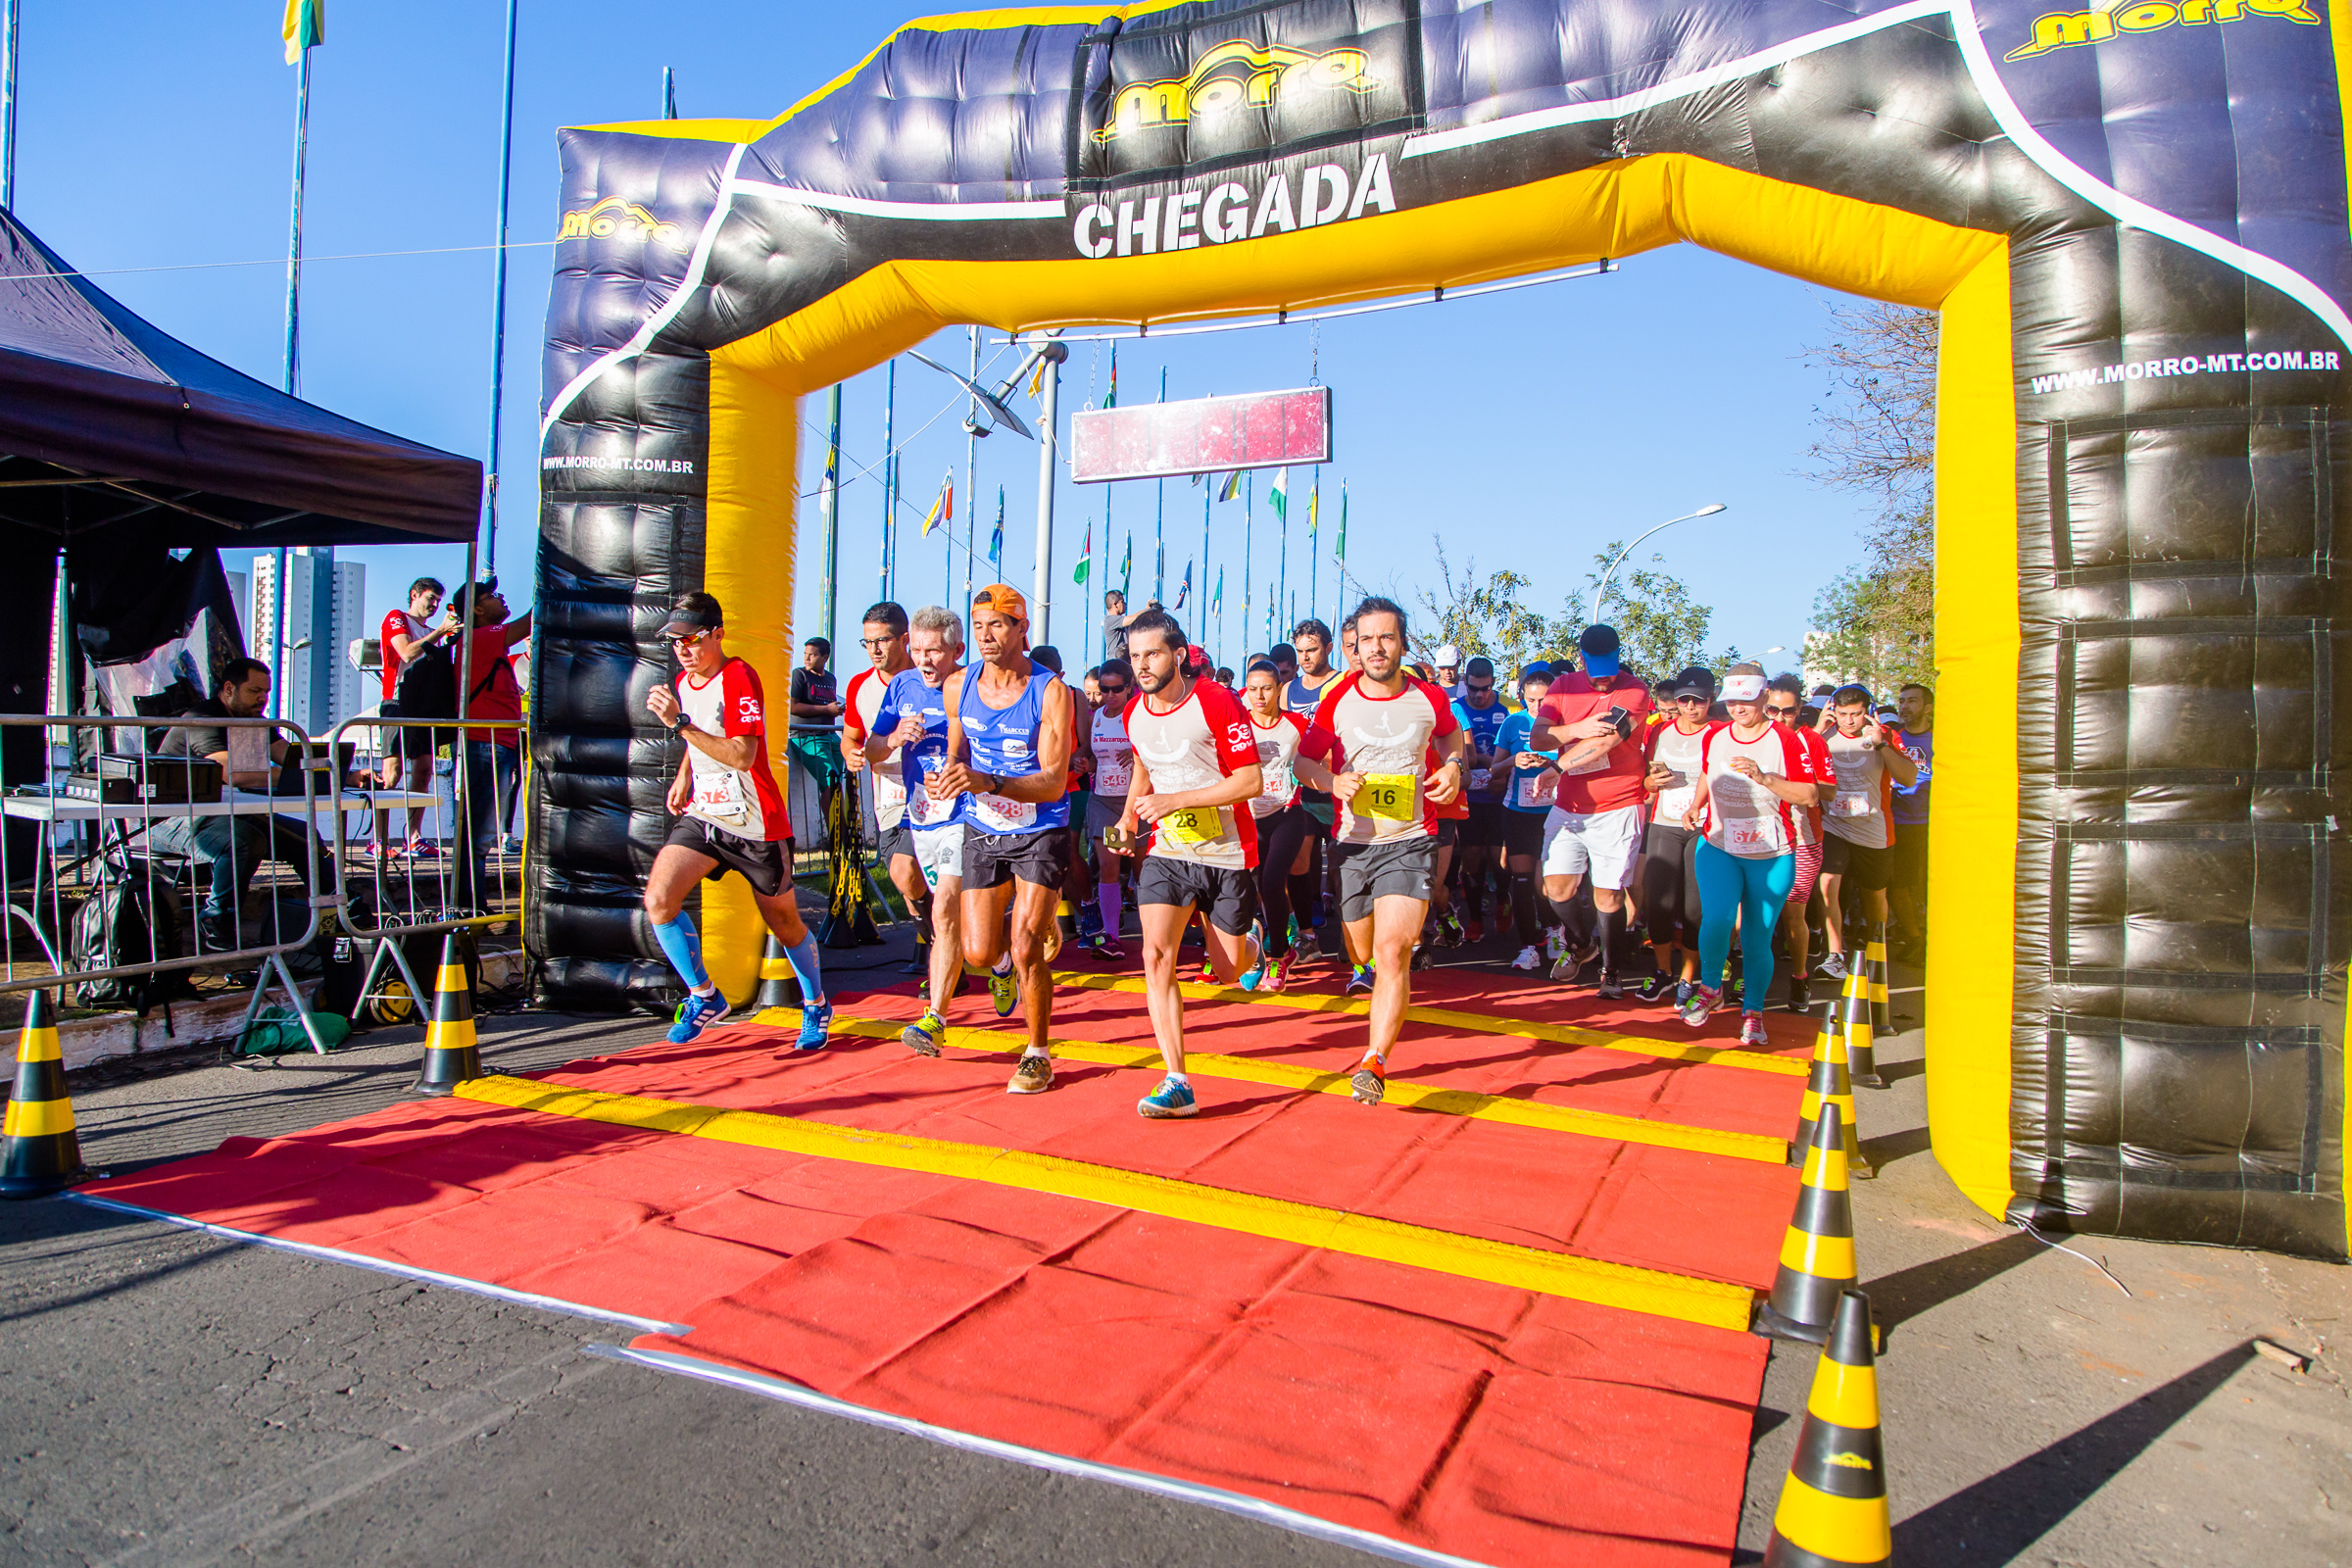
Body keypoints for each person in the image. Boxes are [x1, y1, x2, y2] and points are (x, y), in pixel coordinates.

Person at [642, 593, 830, 1050]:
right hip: (705, 814)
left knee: (784, 923)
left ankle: (816, 1002)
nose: (682, 650)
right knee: (659, 900)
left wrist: (679, 726)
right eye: (675, 642)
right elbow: (699, 737)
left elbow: (743, 755)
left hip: (753, 822)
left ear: (717, 635)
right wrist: (685, 776)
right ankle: (704, 995)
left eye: (691, 640)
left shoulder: (739, 676)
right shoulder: (685, 683)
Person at [1306, 596, 1465, 1105]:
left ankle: (1374, 1060)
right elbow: (1303, 765)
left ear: (1401, 643)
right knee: (1361, 950)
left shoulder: (1429, 698)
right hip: (1353, 845)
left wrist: (1454, 767)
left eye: (1387, 638)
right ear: (1356, 645)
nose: (1376, 648)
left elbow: (1450, 737)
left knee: (1392, 952)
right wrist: (1333, 780)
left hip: (1412, 839)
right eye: (1367, 640)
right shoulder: (1336, 701)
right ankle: (1368, 982)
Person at [1117, 610, 1269, 1117]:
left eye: (1153, 653)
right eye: (1135, 655)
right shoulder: (1134, 713)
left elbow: (1251, 782)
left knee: (1228, 972)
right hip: (1168, 852)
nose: (1142, 665)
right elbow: (1143, 766)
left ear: (1178, 655)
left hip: (1227, 853)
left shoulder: (1215, 700)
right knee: (1156, 956)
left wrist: (1178, 801)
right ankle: (1176, 1078)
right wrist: (1125, 823)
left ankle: (1252, 944)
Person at [933, 585, 1075, 1093]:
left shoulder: (1050, 691)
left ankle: (1037, 1053)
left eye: (997, 625)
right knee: (976, 951)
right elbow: (957, 748)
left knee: (1023, 944)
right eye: (978, 627)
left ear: (1021, 629)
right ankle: (1014, 955)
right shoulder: (959, 685)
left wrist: (988, 782)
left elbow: (1055, 781)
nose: (986, 636)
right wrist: (948, 774)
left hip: (1041, 826)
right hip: (984, 826)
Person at [1680, 666, 1835, 1042]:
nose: (1738, 708)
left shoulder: (1787, 739)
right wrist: (1695, 804)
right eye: (1731, 701)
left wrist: (1765, 778)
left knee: (1756, 936)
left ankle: (1754, 1013)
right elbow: (1707, 772)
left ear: (1764, 697)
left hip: (1771, 851)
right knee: (1715, 919)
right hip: (1719, 843)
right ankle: (1711, 989)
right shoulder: (1715, 735)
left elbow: (1811, 795)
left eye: (1746, 701)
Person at [154, 658, 348, 953]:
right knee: (243, 841)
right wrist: (296, 776)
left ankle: (335, 913)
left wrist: (347, 775)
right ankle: (216, 920)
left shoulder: (255, 718)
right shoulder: (203, 718)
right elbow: (230, 770)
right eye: (254, 690)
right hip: (167, 819)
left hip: (224, 812)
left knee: (304, 836)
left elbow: (288, 754)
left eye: (267, 692)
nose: (262, 698)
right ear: (229, 688)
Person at [1529, 624, 1655, 999]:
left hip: (1617, 805)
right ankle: (1582, 944)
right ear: (1582, 659)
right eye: (1597, 672)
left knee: (1608, 896)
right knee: (1555, 888)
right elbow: (1539, 736)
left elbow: (1607, 741)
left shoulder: (1635, 689)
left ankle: (1611, 971)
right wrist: (1576, 727)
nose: (1604, 680)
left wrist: (1557, 764)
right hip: (1570, 805)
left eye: (1610, 670)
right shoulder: (1563, 686)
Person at [880, 607, 977, 1056]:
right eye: (917, 650)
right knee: (973, 940)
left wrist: (966, 768)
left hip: (966, 814)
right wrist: (896, 735)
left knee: (944, 913)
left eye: (934, 651)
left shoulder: (975, 685)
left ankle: (934, 1018)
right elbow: (872, 743)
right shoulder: (901, 685)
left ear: (957, 650)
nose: (924, 659)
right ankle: (998, 963)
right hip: (922, 816)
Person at [1232, 659, 1338, 994]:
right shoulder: (1237, 725)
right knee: (1247, 886)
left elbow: (1326, 750)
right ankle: (1254, 950)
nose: (1259, 696)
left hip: (1287, 813)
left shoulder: (1295, 724)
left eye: (1266, 688)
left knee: (1273, 880)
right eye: (1252, 690)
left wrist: (1332, 779)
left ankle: (1279, 956)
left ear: (1280, 689)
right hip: (1247, 818)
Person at [1813, 683, 1918, 981]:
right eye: (1843, 714)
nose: (1848, 720)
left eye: (1856, 714)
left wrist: (1881, 743)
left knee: (1875, 896)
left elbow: (1908, 777)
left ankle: (1876, 951)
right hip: (1834, 825)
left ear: (1868, 712)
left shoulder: (1884, 735)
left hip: (1874, 831)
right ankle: (1834, 956)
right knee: (1828, 885)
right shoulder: (1824, 735)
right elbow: (1789, 758)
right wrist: (1818, 731)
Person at [841, 603, 925, 976]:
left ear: (904, 639)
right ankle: (936, 945)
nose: (874, 649)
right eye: (867, 642)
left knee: (908, 872)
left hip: (929, 795)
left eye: (882, 640)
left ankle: (943, 952)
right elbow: (851, 738)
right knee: (905, 881)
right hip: (886, 796)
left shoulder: (927, 678)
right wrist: (851, 756)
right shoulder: (860, 685)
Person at [449, 582, 531, 914]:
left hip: (499, 743)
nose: (501, 598)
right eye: (492, 597)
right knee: (477, 831)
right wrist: (548, 584)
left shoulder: (484, 643)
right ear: (478, 609)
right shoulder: (479, 638)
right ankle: (469, 905)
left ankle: (471, 904)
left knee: (481, 829)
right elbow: (528, 623)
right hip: (486, 744)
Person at [1639, 666, 1713, 1004]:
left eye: (1698, 701)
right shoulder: (1661, 732)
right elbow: (1645, 777)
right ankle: (1663, 972)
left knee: (1695, 908)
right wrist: (1650, 783)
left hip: (1705, 828)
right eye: (1684, 700)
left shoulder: (1720, 733)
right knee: (1659, 903)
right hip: (1665, 823)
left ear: (1711, 700)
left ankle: (1687, 977)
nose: (1690, 707)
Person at [1763, 673, 1835, 1012]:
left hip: (1803, 839)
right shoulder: (1755, 737)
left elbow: (1828, 793)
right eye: (1772, 709)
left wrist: (1788, 784)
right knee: (1749, 912)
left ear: (1799, 709)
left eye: (1787, 712)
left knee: (1794, 914)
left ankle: (1799, 977)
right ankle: (1746, 974)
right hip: (1760, 836)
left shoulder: (1811, 741)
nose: (1778, 718)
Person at [374, 576, 456, 858]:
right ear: (415, 595)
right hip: (397, 702)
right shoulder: (397, 618)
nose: (433, 605)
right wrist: (440, 632)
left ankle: (413, 837)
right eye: (430, 598)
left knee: (423, 771)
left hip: (423, 707)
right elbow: (407, 652)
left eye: (436, 600)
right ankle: (379, 840)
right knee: (392, 772)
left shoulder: (433, 631)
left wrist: (446, 634)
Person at [1492, 663, 1560, 969]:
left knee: (1545, 884)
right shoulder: (1512, 723)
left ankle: (1556, 931)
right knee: (1521, 879)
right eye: (1531, 700)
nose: (1536, 706)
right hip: (1518, 811)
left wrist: (1549, 763)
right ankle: (1528, 945)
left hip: (1555, 813)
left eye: (1543, 700)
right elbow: (1494, 769)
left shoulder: (1565, 723)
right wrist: (1514, 761)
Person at [1080, 657, 1138, 958]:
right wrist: (1083, 763)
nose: (1110, 695)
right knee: (1108, 867)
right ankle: (1112, 936)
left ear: (1130, 687)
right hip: (1104, 800)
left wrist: (1137, 753)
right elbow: (1092, 757)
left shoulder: (1139, 714)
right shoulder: (1097, 717)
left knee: (1143, 872)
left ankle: (1158, 933)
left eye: (1117, 689)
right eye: (1104, 688)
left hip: (1136, 803)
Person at [1452, 657, 1511, 945]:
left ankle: (1503, 898)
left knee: (1500, 860)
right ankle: (1474, 919)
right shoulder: (1456, 709)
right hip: (1470, 797)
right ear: (1465, 683)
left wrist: (1500, 771)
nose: (1479, 694)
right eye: (1473, 688)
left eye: (1485, 688)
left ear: (1493, 683)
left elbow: (1519, 748)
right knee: (1471, 858)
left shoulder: (1509, 708)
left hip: (1502, 796)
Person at [787, 636, 845, 849]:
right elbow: (793, 706)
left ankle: (838, 833)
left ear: (825, 657)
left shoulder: (830, 679)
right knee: (830, 780)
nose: (807, 658)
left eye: (812, 655)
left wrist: (836, 709)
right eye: (805, 654)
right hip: (806, 737)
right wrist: (826, 710)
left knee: (835, 783)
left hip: (830, 735)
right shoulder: (799, 675)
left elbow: (828, 706)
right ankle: (836, 837)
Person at [1889, 682, 1934, 956]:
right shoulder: (1893, 739)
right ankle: (1914, 937)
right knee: (1898, 884)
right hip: (1898, 822)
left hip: (1932, 824)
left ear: (1928, 708)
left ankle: (1932, 936)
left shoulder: (1941, 740)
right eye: (1902, 700)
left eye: (1913, 701)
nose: (1905, 706)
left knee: (1929, 884)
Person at [1102, 589, 1139, 664]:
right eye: (1122, 602)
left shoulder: (1123, 624)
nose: (1125, 604)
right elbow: (1134, 618)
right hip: (1115, 663)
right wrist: (1148, 610)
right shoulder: (1111, 620)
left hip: (1124, 662)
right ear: (1115, 604)